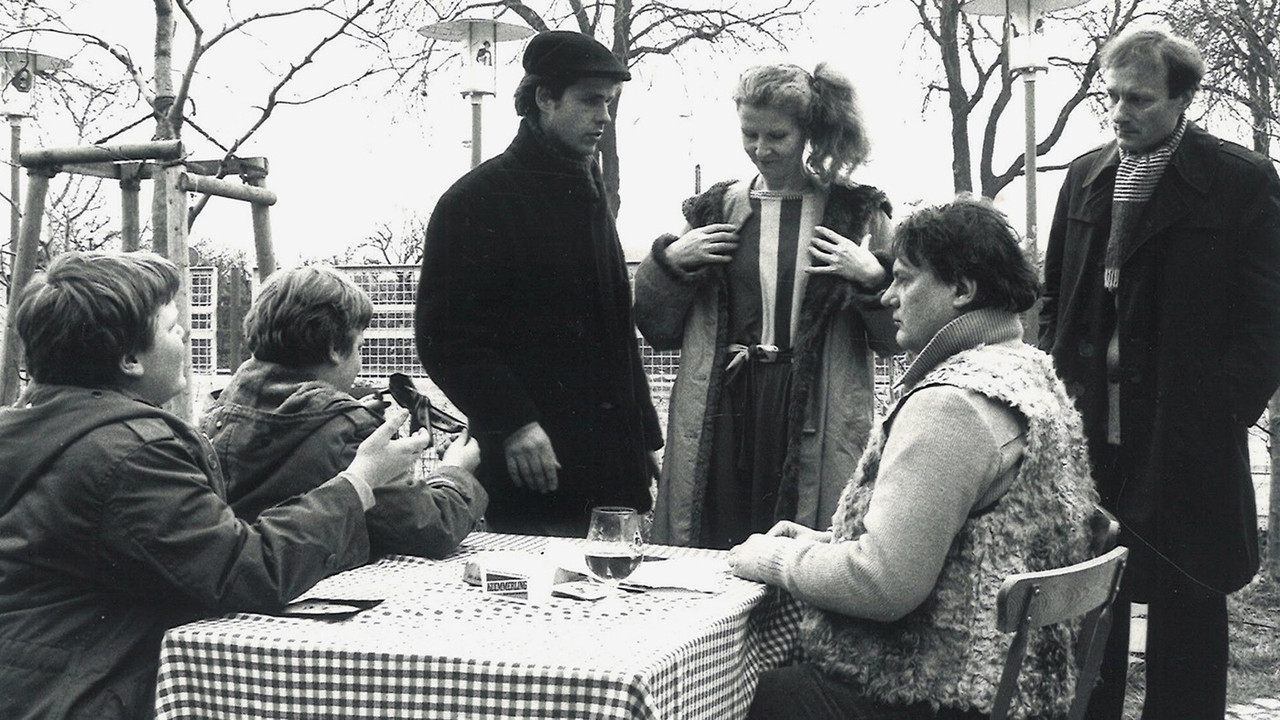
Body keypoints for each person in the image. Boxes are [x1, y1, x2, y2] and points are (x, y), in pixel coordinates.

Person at [0, 252, 433, 720]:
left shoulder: (28, 431)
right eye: (172, 328)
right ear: (129, 360)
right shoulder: (132, 453)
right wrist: (359, 481)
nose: (186, 336)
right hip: (84, 699)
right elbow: (246, 570)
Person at [730, 198, 1099, 720]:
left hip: (945, 695)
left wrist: (774, 561)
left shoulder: (951, 404)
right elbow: (965, 547)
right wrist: (822, 544)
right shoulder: (1029, 374)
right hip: (1020, 688)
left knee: (752, 692)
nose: (888, 295)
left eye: (904, 279)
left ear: (962, 290)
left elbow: (882, 584)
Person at [1039, 27, 1280, 720]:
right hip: (1093, 440)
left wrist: (1220, 411)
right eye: (1112, 96)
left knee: (1188, 609)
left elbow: (1268, 317)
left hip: (1186, 439)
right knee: (1092, 607)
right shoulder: (1085, 176)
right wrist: (1060, 385)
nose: (1120, 112)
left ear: (1182, 98)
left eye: (1139, 98)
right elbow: (1055, 297)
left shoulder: (1240, 180)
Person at [633, 63, 897, 549]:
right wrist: (669, 262)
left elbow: (896, 337)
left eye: (777, 135)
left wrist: (875, 277)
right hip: (725, 404)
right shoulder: (712, 209)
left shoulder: (856, 212)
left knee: (802, 544)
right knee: (715, 535)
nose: (761, 149)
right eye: (749, 134)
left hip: (816, 401)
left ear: (808, 132)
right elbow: (657, 328)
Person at [415, 30, 662, 538]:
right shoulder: (477, 200)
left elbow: (615, 331)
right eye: (590, 100)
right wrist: (514, 424)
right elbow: (446, 339)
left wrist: (643, 438)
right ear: (545, 99)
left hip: (610, 461)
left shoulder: (588, 190)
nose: (604, 117)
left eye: (609, 102)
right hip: (533, 466)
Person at [201, 266, 487, 559]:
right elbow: (429, 528)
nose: (360, 363)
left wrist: (342, 417)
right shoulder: (346, 431)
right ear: (335, 350)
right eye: (359, 347)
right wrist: (455, 473)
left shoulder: (216, 412)